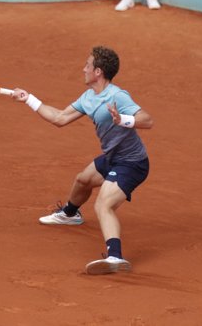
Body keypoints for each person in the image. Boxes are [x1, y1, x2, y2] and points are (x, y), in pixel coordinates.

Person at [11, 46, 153, 275]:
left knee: (103, 205)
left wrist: (123, 119)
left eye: (87, 65)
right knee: (83, 180)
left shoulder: (118, 96)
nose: (83, 69)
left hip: (131, 163)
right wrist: (29, 99)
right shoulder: (89, 97)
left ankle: (115, 257)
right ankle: (70, 214)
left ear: (98, 71)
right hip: (112, 157)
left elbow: (147, 120)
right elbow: (60, 118)